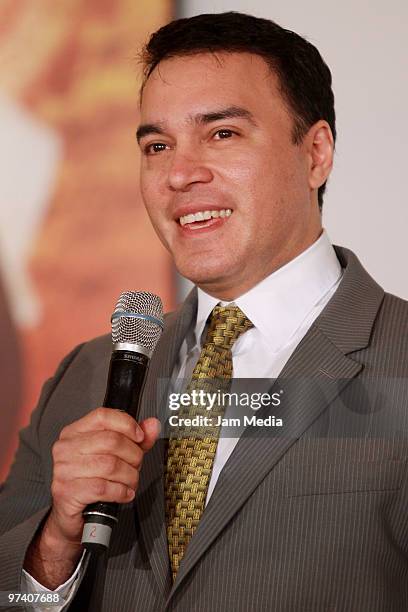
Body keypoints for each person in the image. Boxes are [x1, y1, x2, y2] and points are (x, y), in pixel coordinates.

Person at [1, 11, 407, 612]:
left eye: (222, 134)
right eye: (157, 145)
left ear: (316, 153)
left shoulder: (396, 355)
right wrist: (54, 545)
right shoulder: (86, 375)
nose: (180, 175)